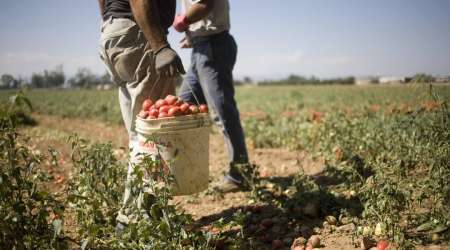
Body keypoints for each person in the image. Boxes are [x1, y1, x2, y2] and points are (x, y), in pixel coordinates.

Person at [97, 0, 185, 234]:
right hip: (138, 34)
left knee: (139, 135)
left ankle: (145, 215)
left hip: (115, 33)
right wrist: (160, 46)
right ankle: (134, 220)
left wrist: (110, 22)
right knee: (153, 136)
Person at [172, 0, 251, 190]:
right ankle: (183, 172)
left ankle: (240, 175)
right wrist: (193, 36)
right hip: (202, 46)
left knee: (222, 112)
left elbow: (205, 4)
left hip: (213, 46)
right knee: (184, 107)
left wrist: (182, 21)